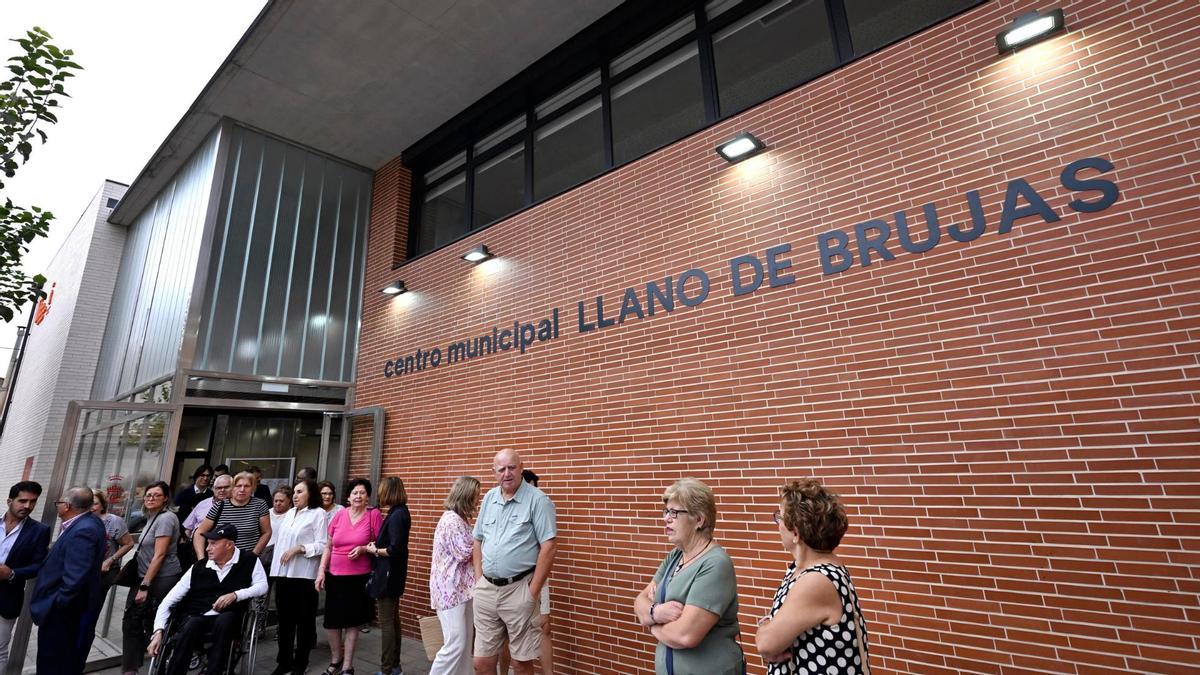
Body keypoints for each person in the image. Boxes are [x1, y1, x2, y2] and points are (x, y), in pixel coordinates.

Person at [754, 479, 871, 674]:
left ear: (796, 533)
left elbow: (766, 644)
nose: (777, 524)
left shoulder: (816, 580)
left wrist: (766, 626)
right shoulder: (801, 569)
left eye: (779, 517)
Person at [633, 478, 743, 674]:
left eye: (674, 513)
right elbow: (639, 602)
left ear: (699, 520)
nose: (666, 518)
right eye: (666, 511)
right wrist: (656, 613)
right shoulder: (675, 557)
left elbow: (685, 635)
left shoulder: (715, 563)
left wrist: (652, 626)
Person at [472, 449, 556, 675]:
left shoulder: (538, 500)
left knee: (521, 663)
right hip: (487, 590)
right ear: (494, 472)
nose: (506, 473)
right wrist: (479, 579)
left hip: (520, 589)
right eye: (501, 469)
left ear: (520, 467)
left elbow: (548, 546)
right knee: (481, 662)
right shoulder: (489, 498)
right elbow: (477, 540)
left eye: (511, 467)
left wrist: (532, 593)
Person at [148, 523, 269, 675]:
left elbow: (262, 586)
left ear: (229, 545)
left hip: (229, 618)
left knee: (225, 620)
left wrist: (236, 595)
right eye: (208, 544)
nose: (207, 548)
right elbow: (168, 601)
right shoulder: (199, 567)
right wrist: (158, 631)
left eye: (213, 544)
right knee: (191, 624)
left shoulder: (249, 560)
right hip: (198, 616)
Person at [30, 486, 107, 674]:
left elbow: (75, 577)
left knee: (53, 661)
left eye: (59, 503)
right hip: (67, 609)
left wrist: (57, 604)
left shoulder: (84, 530)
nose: (58, 506)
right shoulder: (90, 522)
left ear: (67, 506)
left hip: (64, 612)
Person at [316, 478, 382, 675]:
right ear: (348, 496)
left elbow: (379, 545)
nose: (358, 496)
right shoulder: (339, 515)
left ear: (367, 497)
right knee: (332, 622)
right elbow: (328, 546)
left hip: (358, 577)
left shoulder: (374, 515)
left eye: (362, 493)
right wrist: (321, 571)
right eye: (355, 493)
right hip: (335, 576)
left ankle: (347, 666)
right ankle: (336, 659)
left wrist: (363, 549)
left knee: (352, 623)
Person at [122, 480, 184, 675]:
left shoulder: (166, 518)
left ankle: (162, 663)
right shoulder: (151, 516)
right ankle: (131, 668)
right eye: (148, 495)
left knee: (152, 621)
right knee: (132, 620)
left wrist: (145, 586)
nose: (151, 498)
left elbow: (160, 555)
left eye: (157, 495)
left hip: (161, 578)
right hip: (144, 575)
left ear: (166, 498)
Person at [270, 478, 328, 675]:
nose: (295, 495)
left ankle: (300, 662)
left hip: (304, 576)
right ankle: (283, 661)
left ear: (310, 494)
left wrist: (300, 548)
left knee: (304, 621)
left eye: (300, 491)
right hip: (283, 574)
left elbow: (323, 544)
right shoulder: (289, 514)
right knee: (284, 622)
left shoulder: (318, 514)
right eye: (294, 492)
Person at [429, 476, 480, 675]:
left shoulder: (460, 519)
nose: (477, 500)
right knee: (455, 643)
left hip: (462, 590)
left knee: (466, 644)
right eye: (475, 496)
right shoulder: (451, 520)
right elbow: (464, 553)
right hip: (449, 590)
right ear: (466, 496)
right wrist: (484, 535)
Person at [0, 481, 50, 672]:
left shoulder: (39, 531)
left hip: (6, 598)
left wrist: (12, 573)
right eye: (22, 501)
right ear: (9, 501)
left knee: (0, 650)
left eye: (33, 502)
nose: (27, 506)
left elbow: (38, 566)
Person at [366, 477, 411, 675]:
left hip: (389, 576)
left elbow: (394, 549)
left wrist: (374, 550)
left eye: (382, 490)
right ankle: (394, 666)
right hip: (394, 575)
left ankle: (387, 670)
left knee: (387, 623)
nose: (379, 493)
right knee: (393, 620)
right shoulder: (398, 512)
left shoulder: (397, 515)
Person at [194, 471, 271, 559]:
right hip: (220, 560)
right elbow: (199, 532)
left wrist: (253, 555)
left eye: (246, 486)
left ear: (252, 488)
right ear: (233, 488)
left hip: (247, 560)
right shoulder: (219, 506)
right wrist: (201, 558)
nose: (242, 489)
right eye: (238, 486)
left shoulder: (259, 505)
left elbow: (267, 532)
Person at [93, 488, 135, 593]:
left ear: (102, 505)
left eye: (95, 504)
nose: (91, 507)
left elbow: (129, 544)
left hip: (104, 572)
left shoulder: (113, 521)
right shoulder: (81, 519)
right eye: (88, 503)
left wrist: (110, 560)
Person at [184, 473, 233, 538]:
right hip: (198, 543)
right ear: (213, 489)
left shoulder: (236, 506)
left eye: (226, 487)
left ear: (233, 488)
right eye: (219, 488)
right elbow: (188, 528)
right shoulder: (202, 504)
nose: (222, 490)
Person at [266, 485, 293, 564]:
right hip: (264, 554)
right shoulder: (266, 513)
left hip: (282, 555)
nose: (278, 503)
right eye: (276, 501)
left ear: (289, 501)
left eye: (281, 501)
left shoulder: (292, 515)